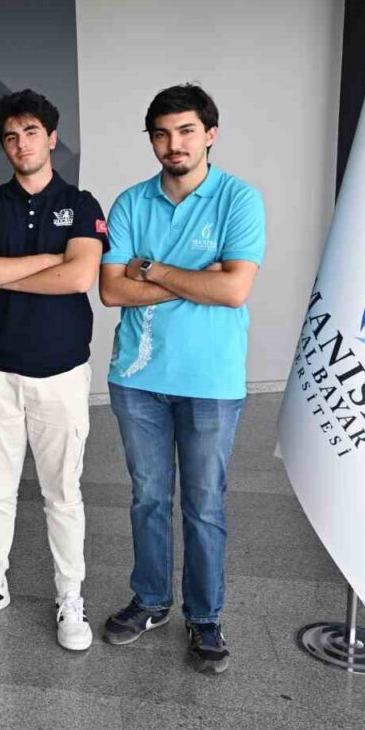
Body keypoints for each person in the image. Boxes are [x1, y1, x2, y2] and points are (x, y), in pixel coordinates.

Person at [98, 83, 264, 674]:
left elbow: (234, 288)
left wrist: (151, 268)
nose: (174, 144)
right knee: (148, 498)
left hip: (211, 382)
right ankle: (150, 601)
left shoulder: (239, 199)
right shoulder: (129, 203)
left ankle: (205, 617)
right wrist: (197, 278)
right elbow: (112, 289)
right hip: (137, 378)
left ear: (210, 134)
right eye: (162, 134)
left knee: (204, 504)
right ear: (151, 140)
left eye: (187, 131)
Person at [0, 89, 108, 652]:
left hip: (61, 372)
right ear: (4, 146)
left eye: (32, 132)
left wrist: (5, 271)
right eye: (11, 137)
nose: (22, 144)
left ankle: (70, 596)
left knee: (63, 493)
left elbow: (79, 277)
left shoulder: (81, 203)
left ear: (52, 138)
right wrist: (47, 260)